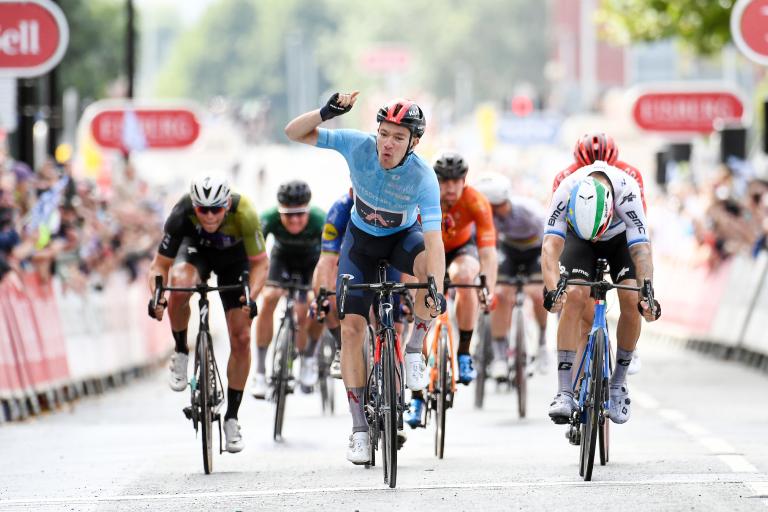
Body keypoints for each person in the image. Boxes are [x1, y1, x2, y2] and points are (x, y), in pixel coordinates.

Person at [285, 91, 445, 465]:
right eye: (384, 134)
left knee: (431, 273)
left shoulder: (423, 176)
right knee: (352, 329)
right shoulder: (357, 145)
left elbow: (435, 243)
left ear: (414, 143)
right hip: (359, 247)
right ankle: (359, 428)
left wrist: (434, 287)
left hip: (401, 242)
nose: (388, 144)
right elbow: (294, 132)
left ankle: (414, 348)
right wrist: (327, 112)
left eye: (398, 138)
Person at [147, 175, 268, 453]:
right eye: (203, 210)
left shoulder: (246, 213)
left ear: (227, 204)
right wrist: (157, 296)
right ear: (195, 207)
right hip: (195, 252)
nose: (210, 216)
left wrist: (253, 295)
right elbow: (159, 265)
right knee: (179, 285)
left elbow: (261, 264)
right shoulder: (181, 213)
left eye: (216, 209)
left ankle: (232, 418)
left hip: (234, 260)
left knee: (240, 336)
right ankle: (180, 351)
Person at [541, 161, 660, 427]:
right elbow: (550, 248)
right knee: (573, 295)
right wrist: (552, 290)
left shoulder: (627, 191)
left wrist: (647, 293)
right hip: (577, 238)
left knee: (631, 299)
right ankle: (564, 390)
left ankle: (618, 383)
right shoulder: (565, 189)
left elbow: (641, 251)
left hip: (619, 240)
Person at [404, 151, 497, 427]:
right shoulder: (422, 196)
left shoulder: (476, 201)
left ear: (464, 181)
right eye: (445, 182)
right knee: (416, 315)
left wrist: (487, 288)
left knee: (466, 275)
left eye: (457, 181)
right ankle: (417, 397)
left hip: (459, 251)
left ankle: (464, 352)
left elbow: (488, 254)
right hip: (428, 249)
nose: (451, 188)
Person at [554, 133, 647, 374]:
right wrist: (556, 284)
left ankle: (622, 371)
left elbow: (639, 230)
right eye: (587, 166)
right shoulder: (567, 180)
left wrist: (646, 286)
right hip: (580, 238)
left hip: (618, 235)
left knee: (631, 297)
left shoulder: (629, 178)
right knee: (578, 299)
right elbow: (555, 235)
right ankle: (570, 384)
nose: (595, 170)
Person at [251, 180, 326, 397]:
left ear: (308, 211)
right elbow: (256, 257)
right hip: (281, 259)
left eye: (300, 214)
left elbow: (330, 258)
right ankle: (260, 371)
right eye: (288, 215)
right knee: (269, 298)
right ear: (279, 211)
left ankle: (309, 357)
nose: (294, 220)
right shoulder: (267, 218)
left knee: (314, 304)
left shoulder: (320, 220)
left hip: (311, 262)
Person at [473, 172, 549, 378]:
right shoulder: (487, 217)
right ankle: (499, 356)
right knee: (501, 294)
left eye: (497, 208)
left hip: (535, 250)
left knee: (537, 293)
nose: (494, 214)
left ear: (505, 201)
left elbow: (550, 244)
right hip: (508, 250)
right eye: (490, 209)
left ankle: (542, 343)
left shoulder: (528, 213)